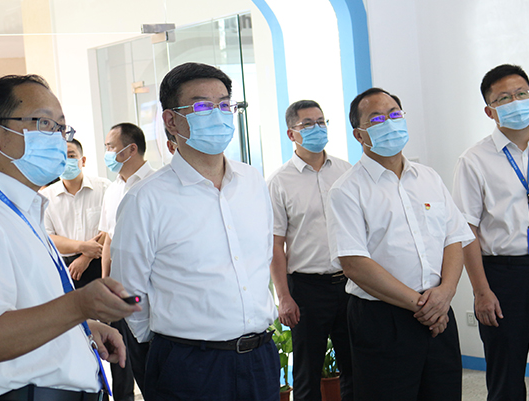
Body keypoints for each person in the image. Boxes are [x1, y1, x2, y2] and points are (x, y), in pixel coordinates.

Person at [0, 74, 140, 401]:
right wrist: (79, 305)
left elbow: (28, 310)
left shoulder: (20, 211)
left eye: (61, 128)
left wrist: (81, 328)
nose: (57, 138)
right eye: (44, 123)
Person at [111, 62, 279, 401]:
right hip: (189, 365)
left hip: (260, 358)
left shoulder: (252, 182)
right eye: (202, 106)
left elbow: (261, 259)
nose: (217, 115)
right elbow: (128, 290)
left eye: (224, 105)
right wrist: (169, 343)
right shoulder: (146, 198)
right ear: (171, 120)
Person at [327, 88, 474, 400]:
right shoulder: (346, 190)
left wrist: (445, 293)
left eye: (394, 114)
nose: (389, 122)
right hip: (383, 318)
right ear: (359, 134)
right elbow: (354, 263)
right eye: (377, 118)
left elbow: (453, 238)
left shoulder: (428, 177)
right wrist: (423, 306)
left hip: (439, 310)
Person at [452, 64, 529, 400]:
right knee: (506, 380)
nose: (515, 102)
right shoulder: (474, 160)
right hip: (504, 278)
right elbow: (466, 230)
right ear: (490, 110)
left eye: (520, 94)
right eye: (503, 98)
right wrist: (480, 291)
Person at [267, 99, 353, 401]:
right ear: (291, 133)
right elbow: (275, 245)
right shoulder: (279, 182)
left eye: (321, 122)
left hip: (350, 283)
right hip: (306, 288)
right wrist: (284, 297)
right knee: (307, 373)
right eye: (308, 124)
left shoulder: (345, 171)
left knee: (355, 367)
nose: (317, 128)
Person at [98, 122, 154, 401]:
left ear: (131, 149)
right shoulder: (112, 190)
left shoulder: (155, 184)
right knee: (127, 360)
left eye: (110, 147)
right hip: (119, 293)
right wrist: (105, 284)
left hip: (148, 293)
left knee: (153, 365)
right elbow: (108, 239)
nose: (107, 153)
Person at [40, 138, 111, 289]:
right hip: (67, 268)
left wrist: (86, 257)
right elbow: (48, 237)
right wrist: (82, 247)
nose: (66, 161)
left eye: (71, 156)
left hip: (101, 262)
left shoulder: (104, 187)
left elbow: (110, 228)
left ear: (82, 161)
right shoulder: (45, 197)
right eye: (60, 156)